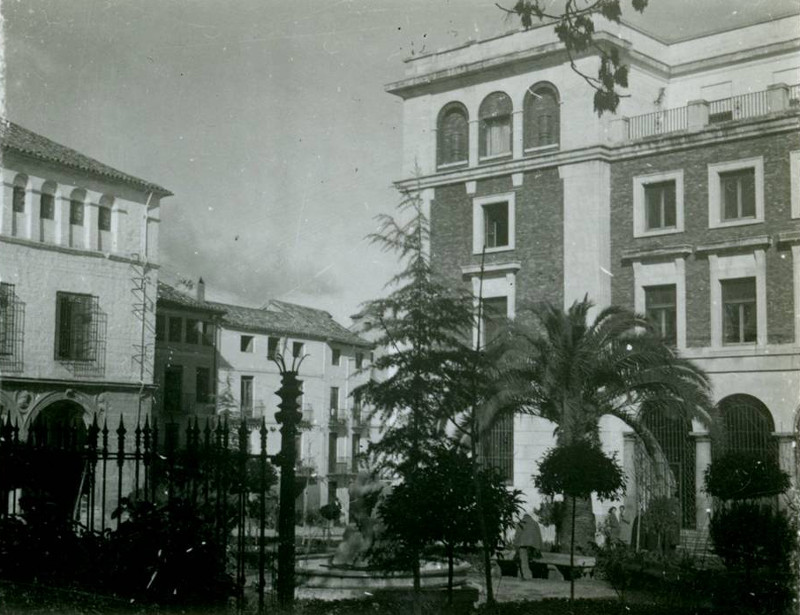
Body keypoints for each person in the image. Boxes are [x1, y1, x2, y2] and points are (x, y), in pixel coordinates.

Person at [512, 513, 543, 579]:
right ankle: (527, 575)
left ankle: (526, 576)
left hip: (523, 545)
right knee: (529, 561)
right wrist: (539, 547)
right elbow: (539, 536)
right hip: (533, 547)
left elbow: (517, 535)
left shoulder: (520, 523)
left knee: (524, 561)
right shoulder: (535, 523)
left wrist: (515, 545)